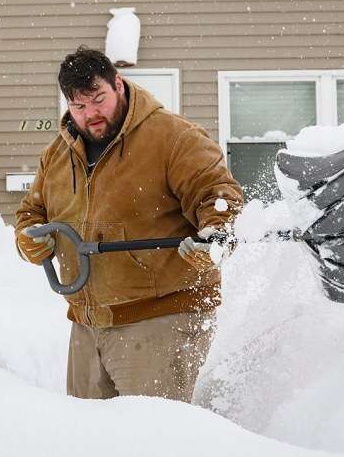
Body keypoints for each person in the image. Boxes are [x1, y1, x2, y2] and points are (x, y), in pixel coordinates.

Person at [15, 46, 243, 401]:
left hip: (162, 317)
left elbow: (217, 193)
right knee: (88, 439)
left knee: (153, 440)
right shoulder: (59, 153)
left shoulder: (172, 137)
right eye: (79, 106)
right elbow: (32, 213)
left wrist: (214, 234)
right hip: (87, 323)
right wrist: (28, 239)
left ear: (118, 84)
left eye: (98, 99)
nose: (91, 114)